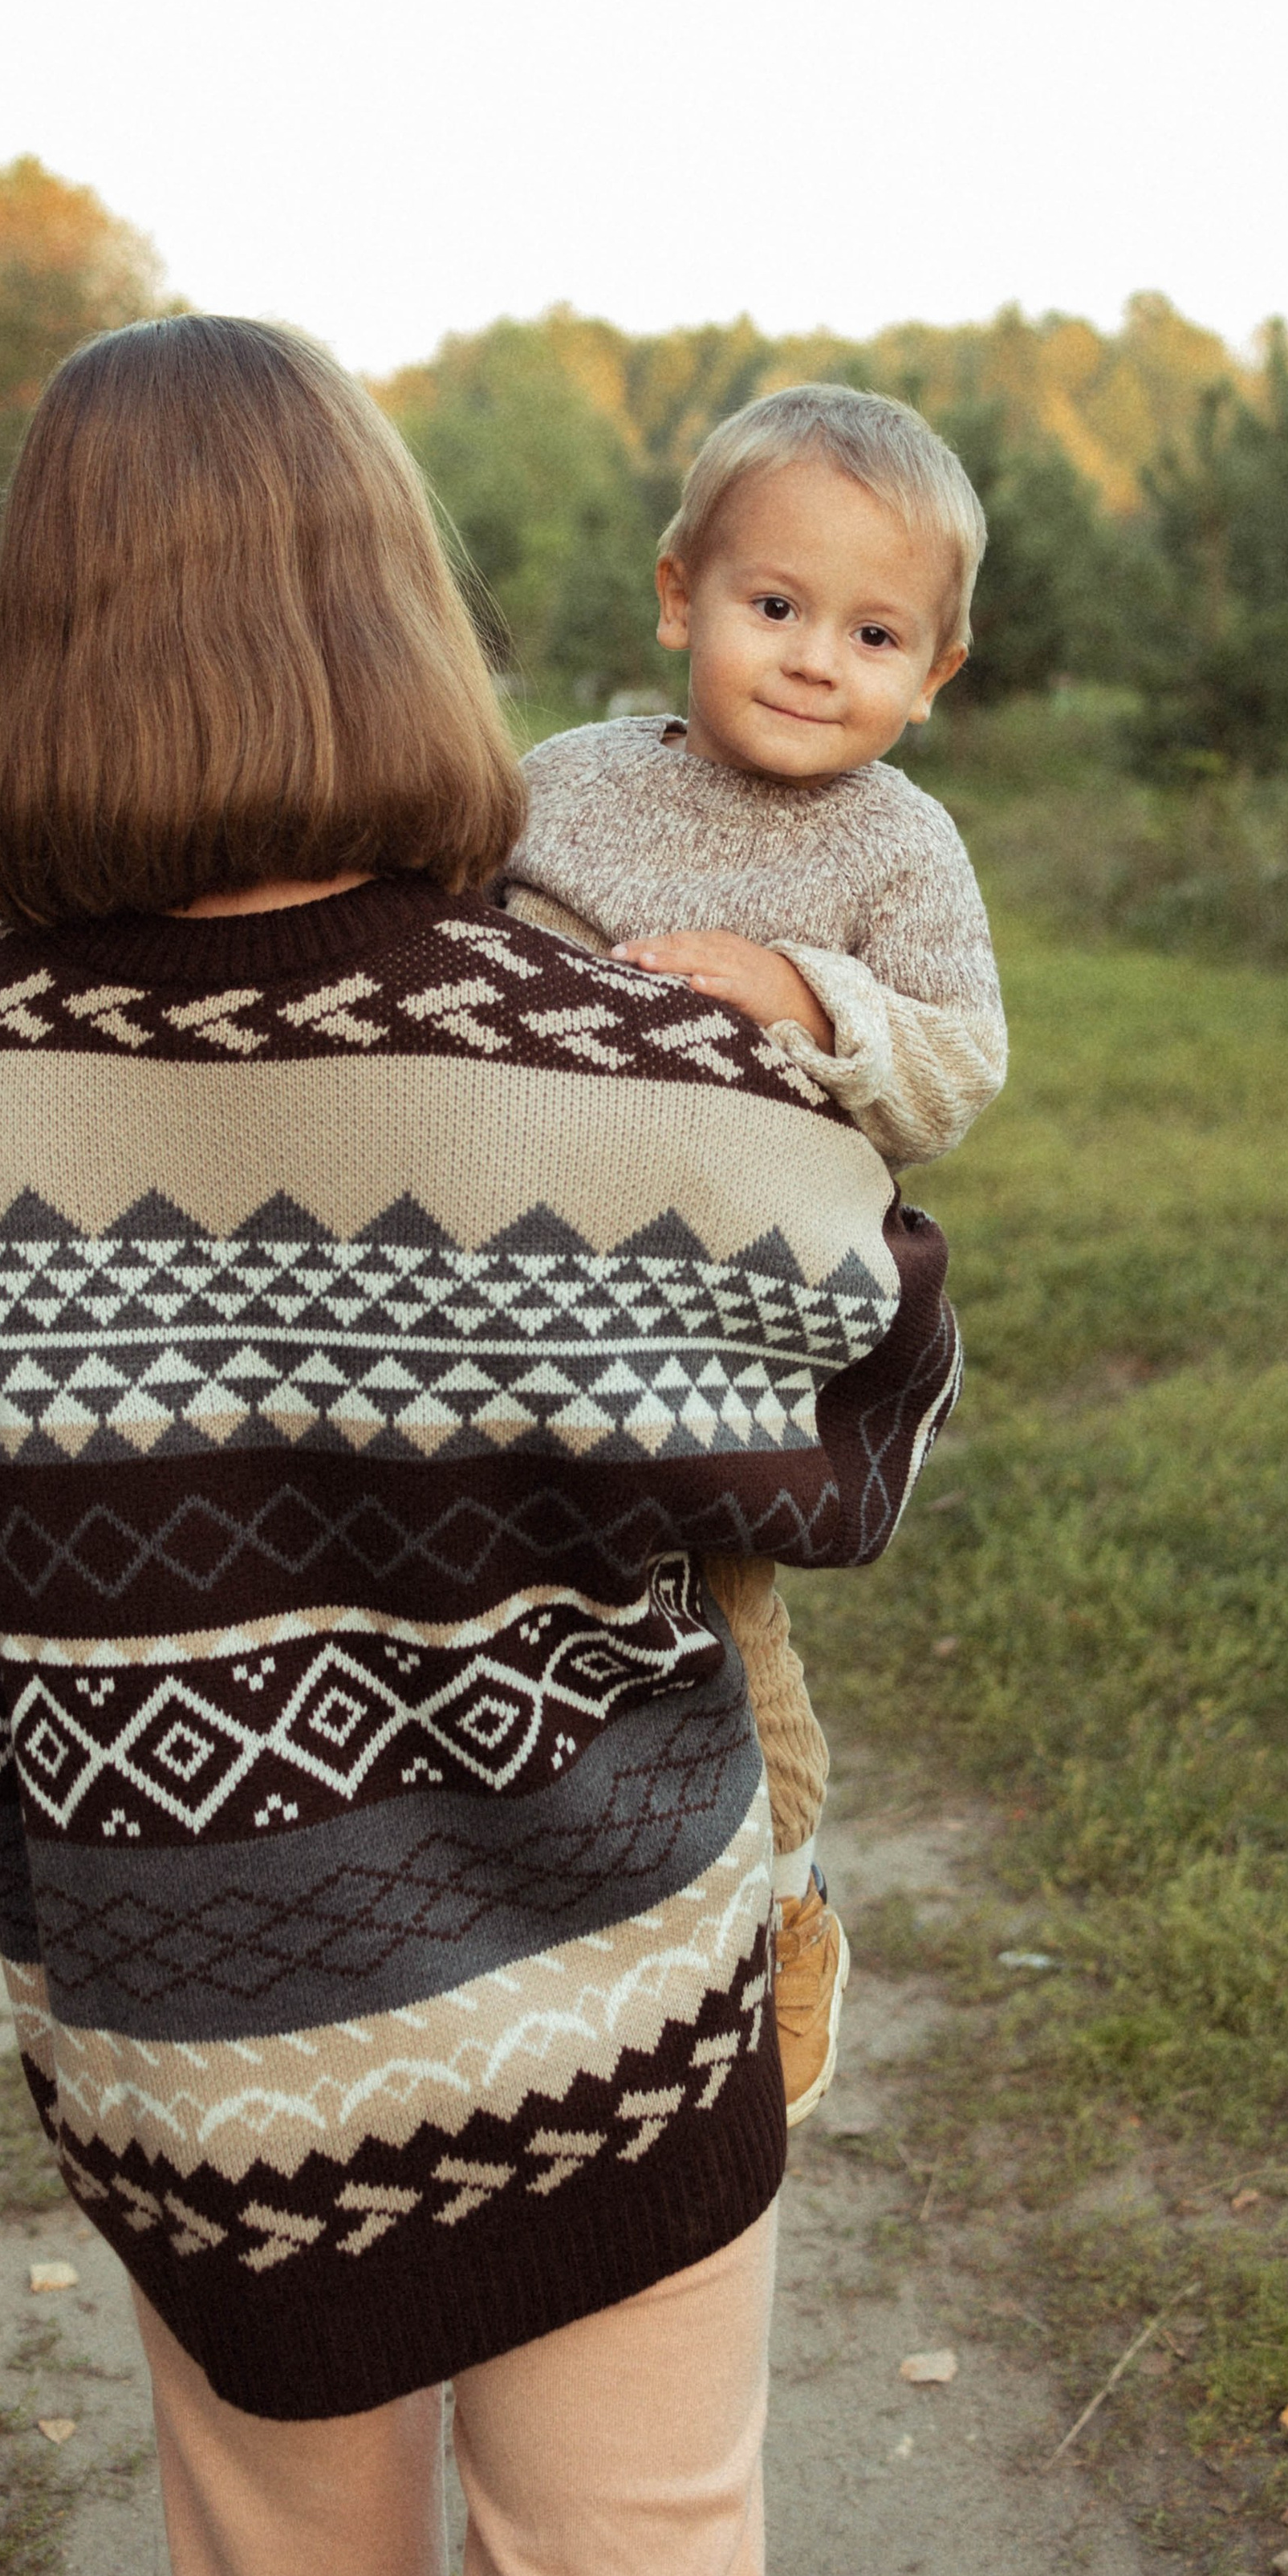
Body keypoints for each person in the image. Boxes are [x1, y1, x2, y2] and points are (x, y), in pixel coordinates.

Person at [0, 316, 961, 2576]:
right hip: (615, 2007)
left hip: (204, 2055)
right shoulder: (620, 1054)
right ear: (396, 604)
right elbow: (860, 1419)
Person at [502, 384, 1006, 2125]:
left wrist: (811, 997)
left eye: (870, 633)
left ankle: (780, 1905)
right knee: (521, 1613)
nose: (811, 660)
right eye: (771, 607)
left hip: (725, 1333)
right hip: (518, 1310)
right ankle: (546, 1922)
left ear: (933, 671)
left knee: (723, 1622)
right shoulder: (558, 787)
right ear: (677, 596)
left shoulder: (895, 846)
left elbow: (957, 1063)